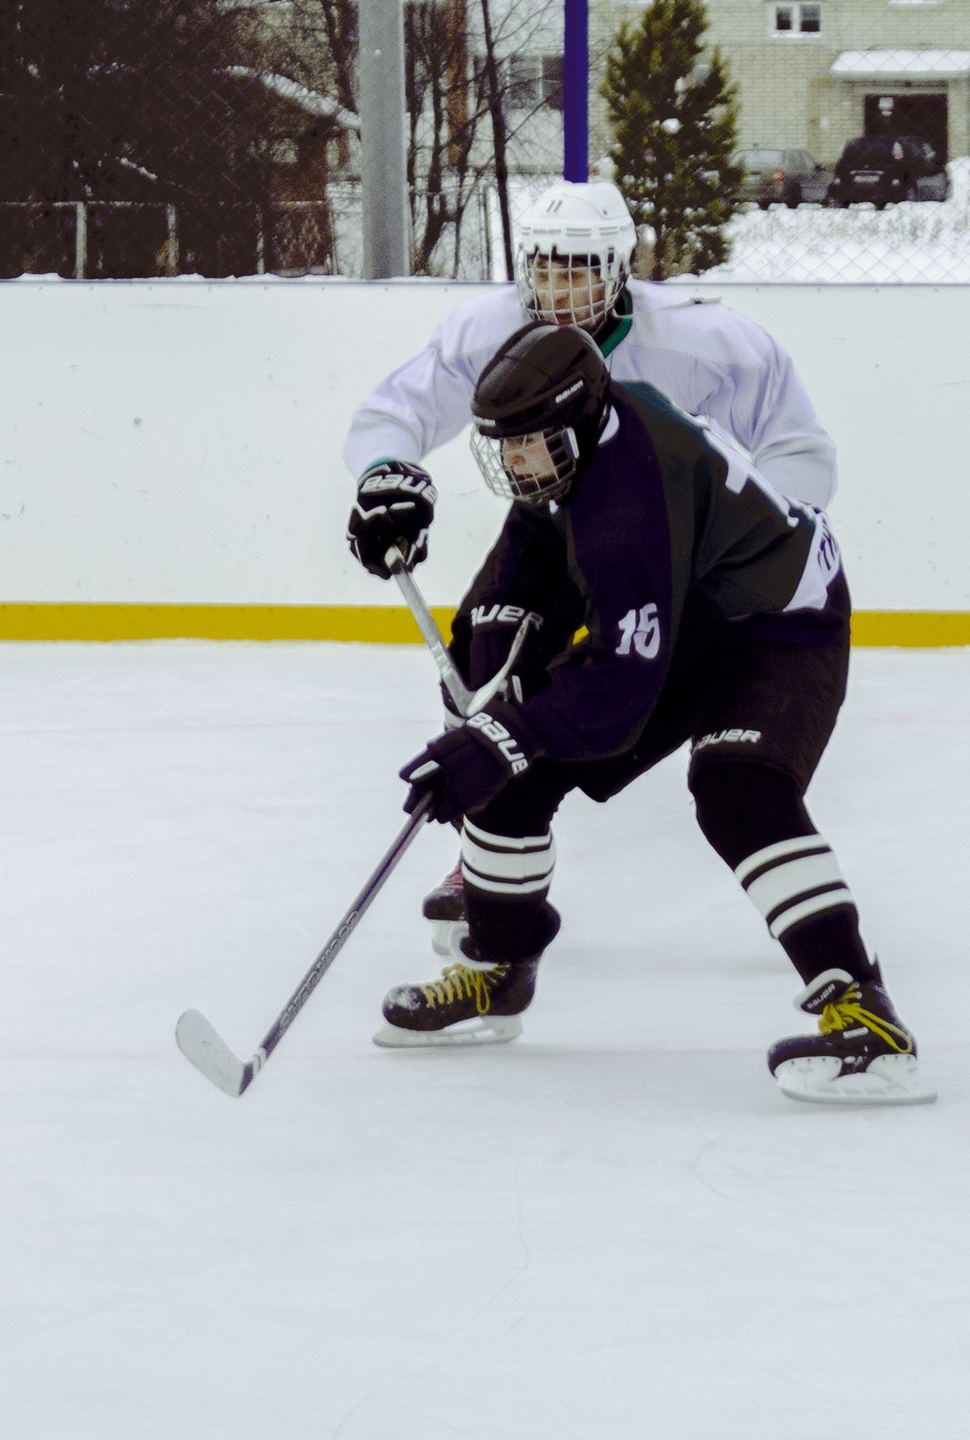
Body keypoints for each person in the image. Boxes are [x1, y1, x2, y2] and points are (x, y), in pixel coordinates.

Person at [380, 319, 929, 1105]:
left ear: (576, 424)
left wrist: (499, 737)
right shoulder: (575, 450)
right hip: (686, 604)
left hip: (781, 621)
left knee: (740, 789)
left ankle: (865, 1015)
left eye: (531, 445)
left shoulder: (629, 501)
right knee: (511, 736)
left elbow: (620, 689)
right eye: (506, 447)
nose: (517, 463)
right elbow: (520, 574)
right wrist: (487, 685)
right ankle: (497, 968)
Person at [341, 176, 836, 926]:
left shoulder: (708, 343)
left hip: (669, 546)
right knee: (483, 655)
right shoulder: (486, 331)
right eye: (544, 269)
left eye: (578, 271)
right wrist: (387, 473)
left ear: (619, 269)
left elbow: (800, 456)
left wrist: (720, 547)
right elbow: (396, 409)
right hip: (553, 526)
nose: (558, 289)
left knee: (613, 686)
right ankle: (482, 845)